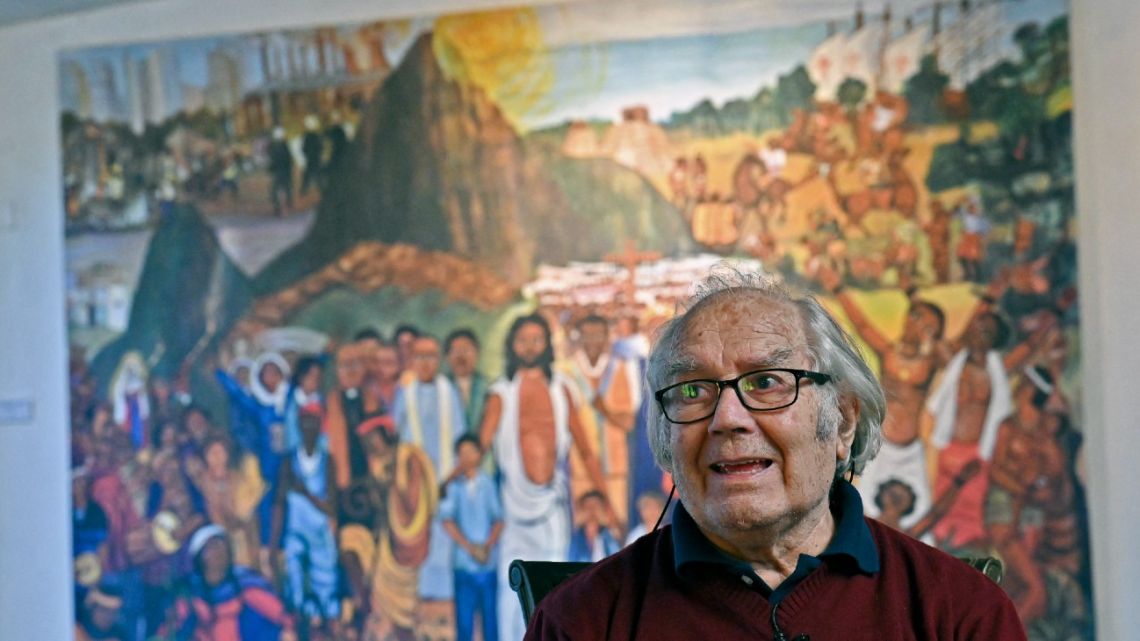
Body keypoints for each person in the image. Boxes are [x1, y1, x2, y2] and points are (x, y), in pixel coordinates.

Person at [525, 270, 1025, 640]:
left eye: (766, 382)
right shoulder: (581, 621)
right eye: (694, 390)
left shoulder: (960, 612)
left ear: (843, 422)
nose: (727, 419)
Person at [478, 313, 614, 641]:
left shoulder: (562, 388)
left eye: (536, 339)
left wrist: (604, 496)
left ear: (546, 344)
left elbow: (584, 448)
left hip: (552, 503)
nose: (530, 346)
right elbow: (479, 448)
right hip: (513, 506)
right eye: (523, 339)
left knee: (552, 586)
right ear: (513, 344)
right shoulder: (501, 392)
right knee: (510, 589)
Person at [339, 415, 437, 641]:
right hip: (385, 542)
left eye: (374, 438)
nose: (371, 445)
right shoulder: (377, 465)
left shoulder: (408, 457)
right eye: (367, 441)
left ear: (385, 434)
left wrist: (393, 490)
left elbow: (414, 506)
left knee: (403, 616)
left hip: (404, 545)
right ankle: (366, 609)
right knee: (351, 542)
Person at [392, 335, 467, 602]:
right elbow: (396, 438)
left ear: (439, 360)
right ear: (412, 360)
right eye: (420, 357)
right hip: (415, 486)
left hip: (447, 483)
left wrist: (449, 479)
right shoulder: (404, 393)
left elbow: (460, 440)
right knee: (418, 546)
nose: (426, 363)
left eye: (431, 356)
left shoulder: (450, 392)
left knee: (444, 547)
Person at [562, 314, 640, 525]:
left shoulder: (620, 369)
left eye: (598, 335)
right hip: (579, 469)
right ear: (579, 338)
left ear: (608, 338)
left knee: (617, 530)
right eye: (587, 335)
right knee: (582, 532)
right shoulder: (566, 372)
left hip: (615, 469)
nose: (593, 341)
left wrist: (605, 410)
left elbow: (629, 422)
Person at [270, 403, 340, 633]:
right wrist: (273, 543)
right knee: (297, 588)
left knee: (327, 590)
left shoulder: (327, 460)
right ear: (298, 426)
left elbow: (331, 508)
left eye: (314, 422)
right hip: (295, 531)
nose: (309, 427)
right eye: (305, 422)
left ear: (321, 426)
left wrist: (306, 493)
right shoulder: (289, 462)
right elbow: (279, 504)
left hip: (320, 533)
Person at [169, 525, 295, 640]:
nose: (218, 552)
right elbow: (170, 630)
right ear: (199, 557)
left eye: (221, 546)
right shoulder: (190, 597)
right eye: (211, 547)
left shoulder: (247, 587)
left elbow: (285, 618)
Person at [440, 434, 503, 641]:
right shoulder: (454, 486)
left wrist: (486, 547)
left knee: (491, 623)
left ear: (479, 454)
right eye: (462, 453)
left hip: (488, 565)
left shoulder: (488, 483)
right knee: (464, 625)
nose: (466, 457)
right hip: (464, 565)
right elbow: (446, 520)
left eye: (471, 452)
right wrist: (469, 548)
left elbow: (499, 519)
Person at [445, 328, 490, 433]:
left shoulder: (489, 388)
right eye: (456, 351)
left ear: (477, 354)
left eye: (466, 350)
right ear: (447, 357)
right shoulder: (440, 388)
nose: (461, 356)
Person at [567, 490, 622, 563]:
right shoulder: (573, 539)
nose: (592, 510)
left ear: (603, 510)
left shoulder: (610, 537)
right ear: (581, 511)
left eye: (596, 506)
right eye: (587, 506)